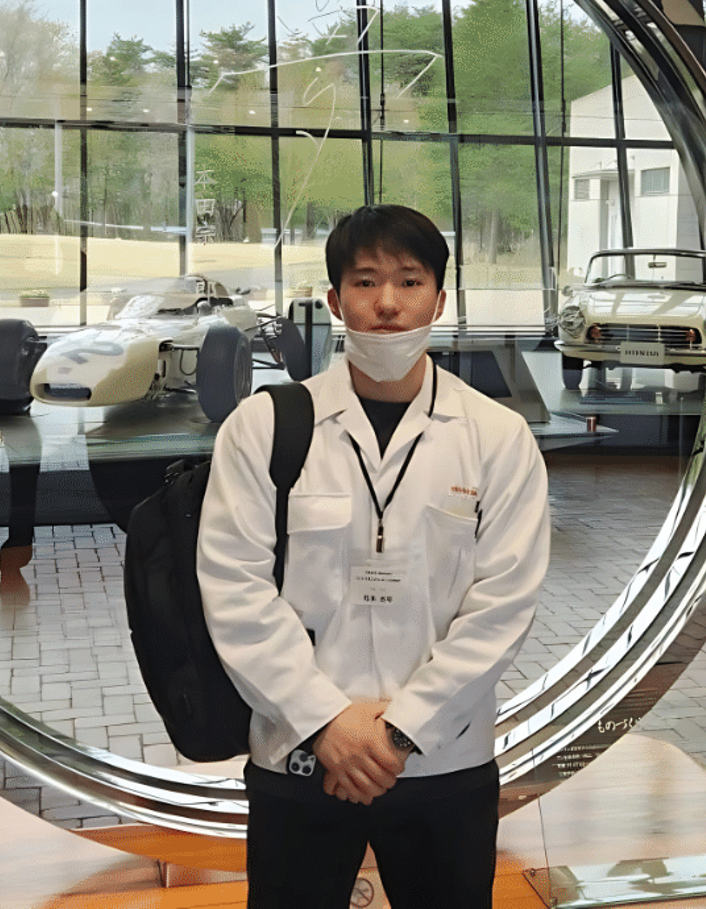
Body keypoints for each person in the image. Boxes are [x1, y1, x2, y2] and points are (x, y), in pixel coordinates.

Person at [197, 204, 550, 909]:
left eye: (409, 281)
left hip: (445, 762)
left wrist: (399, 731)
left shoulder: (496, 436)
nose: (387, 303)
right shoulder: (265, 427)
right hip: (300, 757)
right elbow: (233, 586)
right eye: (365, 281)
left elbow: (504, 602)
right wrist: (327, 722)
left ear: (439, 301)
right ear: (335, 301)